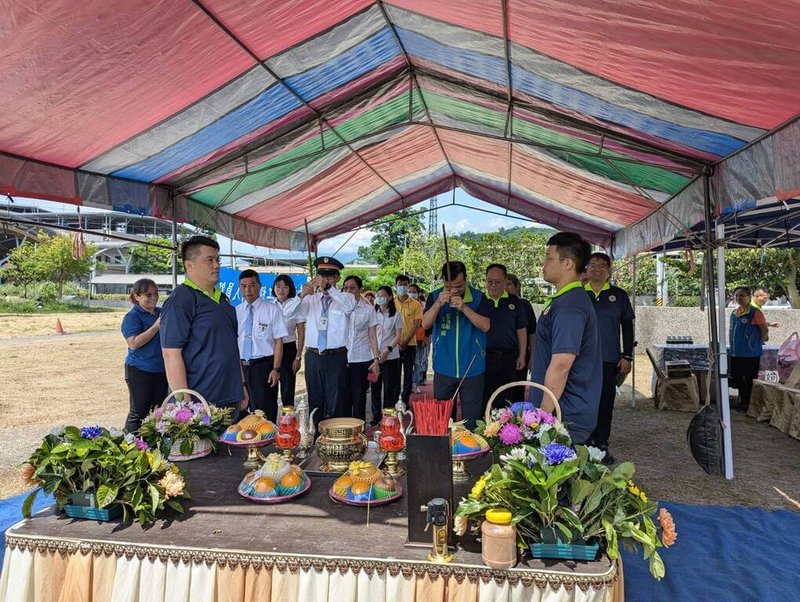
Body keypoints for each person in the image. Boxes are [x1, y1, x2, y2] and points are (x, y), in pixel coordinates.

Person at [160, 236, 248, 413]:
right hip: (201, 401)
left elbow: (232, 346)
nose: (216, 265)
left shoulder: (223, 299)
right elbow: (171, 354)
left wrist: (242, 385)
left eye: (217, 260)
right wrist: (184, 404)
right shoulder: (181, 300)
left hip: (230, 394)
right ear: (189, 265)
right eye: (209, 260)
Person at [529, 232, 601, 444]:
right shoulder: (564, 300)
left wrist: (543, 414)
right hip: (560, 411)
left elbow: (561, 365)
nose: (543, 264)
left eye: (549, 258)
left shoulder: (570, 306)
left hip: (564, 415)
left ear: (568, 263)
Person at [422, 261, 492, 429]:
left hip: (472, 368)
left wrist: (464, 308)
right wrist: (438, 304)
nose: (453, 290)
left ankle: (471, 452)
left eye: (458, 286)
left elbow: (486, 325)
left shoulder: (478, 297)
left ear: (466, 279)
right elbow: (425, 324)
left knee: (472, 420)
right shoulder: (435, 296)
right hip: (443, 367)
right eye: (448, 286)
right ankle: (444, 453)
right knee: (443, 419)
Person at [584, 253, 634, 463]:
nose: (596, 270)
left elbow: (628, 327)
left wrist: (627, 356)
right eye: (592, 266)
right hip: (582, 360)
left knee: (605, 403)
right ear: (586, 269)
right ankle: (583, 443)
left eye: (601, 266)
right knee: (584, 401)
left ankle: (602, 444)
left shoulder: (619, 295)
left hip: (608, 359)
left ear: (609, 270)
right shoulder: (578, 293)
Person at [298, 257, 357, 424]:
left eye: (329, 276)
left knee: (337, 400)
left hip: (336, 357)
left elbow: (349, 306)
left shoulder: (345, 298)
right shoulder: (310, 299)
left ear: (337, 278)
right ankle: (316, 437)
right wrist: (302, 294)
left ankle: (336, 438)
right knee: (315, 401)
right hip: (314, 356)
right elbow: (289, 313)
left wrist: (329, 288)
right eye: (321, 275)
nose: (324, 280)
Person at [236, 270, 288, 420]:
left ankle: (268, 443)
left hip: (263, 366)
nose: (248, 290)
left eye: (252, 285)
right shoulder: (235, 312)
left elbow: (279, 341)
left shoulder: (272, 310)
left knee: (265, 412)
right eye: (243, 286)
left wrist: (276, 369)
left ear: (259, 286)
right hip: (241, 367)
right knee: (242, 411)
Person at [121, 278, 168, 432]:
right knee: (139, 411)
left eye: (156, 294)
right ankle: (129, 444)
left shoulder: (161, 313)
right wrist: (155, 327)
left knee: (158, 411)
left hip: (161, 369)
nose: (153, 298)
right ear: (137, 296)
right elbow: (133, 343)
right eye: (148, 295)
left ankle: (151, 446)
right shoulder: (132, 317)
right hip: (139, 369)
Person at [483, 264, 527, 407]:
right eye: (490, 281)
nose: (493, 285)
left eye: (498, 282)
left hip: (509, 357)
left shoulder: (515, 302)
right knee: (485, 397)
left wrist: (522, 355)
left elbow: (521, 330)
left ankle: (505, 429)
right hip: (485, 357)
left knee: (507, 396)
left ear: (504, 281)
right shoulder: (480, 301)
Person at [343, 275, 380, 421]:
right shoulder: (338, 307)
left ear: (360, 289)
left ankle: (359, 435)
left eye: (352, 288)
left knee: (359, 399)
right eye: (346, 288)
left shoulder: (368, 310)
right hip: (341, 358)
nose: (349, 291)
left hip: (361, 359)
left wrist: (376, 359)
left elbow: (372, 336)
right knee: (343, 399)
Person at [730, 286, 769, 413]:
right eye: (736, 296)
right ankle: (742, 401)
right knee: (738, 379)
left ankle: (749, 405)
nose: (739, 298)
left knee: (749, 380)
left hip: (750, 353)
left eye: (742, 295)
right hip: (736, 352)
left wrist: (759, 342)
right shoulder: (735, 313)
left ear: (748, 297)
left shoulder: (754, 312)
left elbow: (764, 329)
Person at [371, 285, 404, 425]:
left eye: (382, 295)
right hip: (374, 358)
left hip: (390, 356)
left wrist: (388, 349)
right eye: (378, 295)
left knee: (389, 387)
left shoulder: (395, 315)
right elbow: (370, 335)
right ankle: (375, 416)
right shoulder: (372, 313)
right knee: (375, 386)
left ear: (390, 297)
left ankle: (387, 415)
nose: (379, 298)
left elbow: (398, 335)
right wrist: (375, 354)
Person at [272, 274, 306, 407]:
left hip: (289, 349)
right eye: (278, 286)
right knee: (271, 386)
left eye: (285, 287)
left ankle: (288, 423)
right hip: (272, 349)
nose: (281, 290)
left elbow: (301, 334)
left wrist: (298, 357)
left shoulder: (297, 305)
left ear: (290, 289)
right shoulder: (270, 306)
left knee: (287, 389)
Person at [395, 274, 422, 404]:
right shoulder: (391, 303)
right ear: (396, 286)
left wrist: (405, 341)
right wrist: (398, 341)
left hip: (410, 344)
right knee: (394, 374)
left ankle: (404, 400)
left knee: (408, 373)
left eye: (405, 284)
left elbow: (416, 325)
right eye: (400, 284)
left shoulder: (415, 304)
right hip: (393, 345)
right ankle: (393, 400)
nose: (402, 287)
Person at [505, 274, 537, 384]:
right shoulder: (495, 305)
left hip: (520, 356)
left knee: (518, 391)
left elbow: (532, 333)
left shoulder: (525, 305)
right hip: (502, 357)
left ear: (517, 286)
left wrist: (532, 358)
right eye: (503, 284)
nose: (505, 287)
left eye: (508, 284)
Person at [410, 284, 430, 392]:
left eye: (414, 291)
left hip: (420, 338)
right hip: (407, 339)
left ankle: (415, 383)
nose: (411, 293)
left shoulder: (422, 305)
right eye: (410, 291)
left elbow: (428, 322)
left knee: (419, 361)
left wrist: (427, 336)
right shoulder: (403, 305)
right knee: (411, 362)